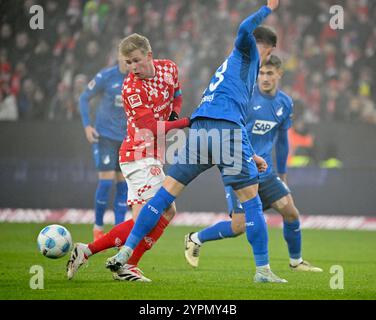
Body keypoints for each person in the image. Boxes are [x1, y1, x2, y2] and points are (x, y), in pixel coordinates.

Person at [106, 0, 288, 283]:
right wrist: (268, 8)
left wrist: (249, 154)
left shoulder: (234, 68)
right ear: (266, 47)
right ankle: (263, 271)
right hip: (226, 130)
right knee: (251, 202)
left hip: (203, 129)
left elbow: (228, 112)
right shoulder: (247, 49)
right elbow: (243, 28)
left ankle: (126, 251)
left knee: (165, 194)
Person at [67, 33, 190, 282]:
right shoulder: (131, 87)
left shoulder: (169, 68)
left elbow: (177, 94)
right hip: (138, 154)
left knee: (146, 217)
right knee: (164, 211)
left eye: (135, 61)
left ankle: (87, 251)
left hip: (151, 155)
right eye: (127, 62)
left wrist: (176, 114)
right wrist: (189, 122)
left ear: (149, 55)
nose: (132, 67)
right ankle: (127, 265)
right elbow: (149, 126)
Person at [184, 55, 323, 272]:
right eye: (261, 73)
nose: (265, 77)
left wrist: (283, 173)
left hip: (266, 172)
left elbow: (283, 140)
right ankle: (195, 238)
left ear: (279, 74)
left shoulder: (285, 103)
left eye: (269, 73)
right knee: (238, 226)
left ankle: (296, 262)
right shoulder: (247, 99)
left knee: (291, 213)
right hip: (240, 168)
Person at [78, 51, 129, 241]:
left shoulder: (137, 79)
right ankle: (98, 228)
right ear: (119, 56)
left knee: (123, 185)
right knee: (107, 182)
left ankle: (119, 233)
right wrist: (87, 126)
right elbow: (84, 98)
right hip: (105, 136)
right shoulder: (106, 76)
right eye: (126, 56)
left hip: (126, 139)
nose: (130, 62)